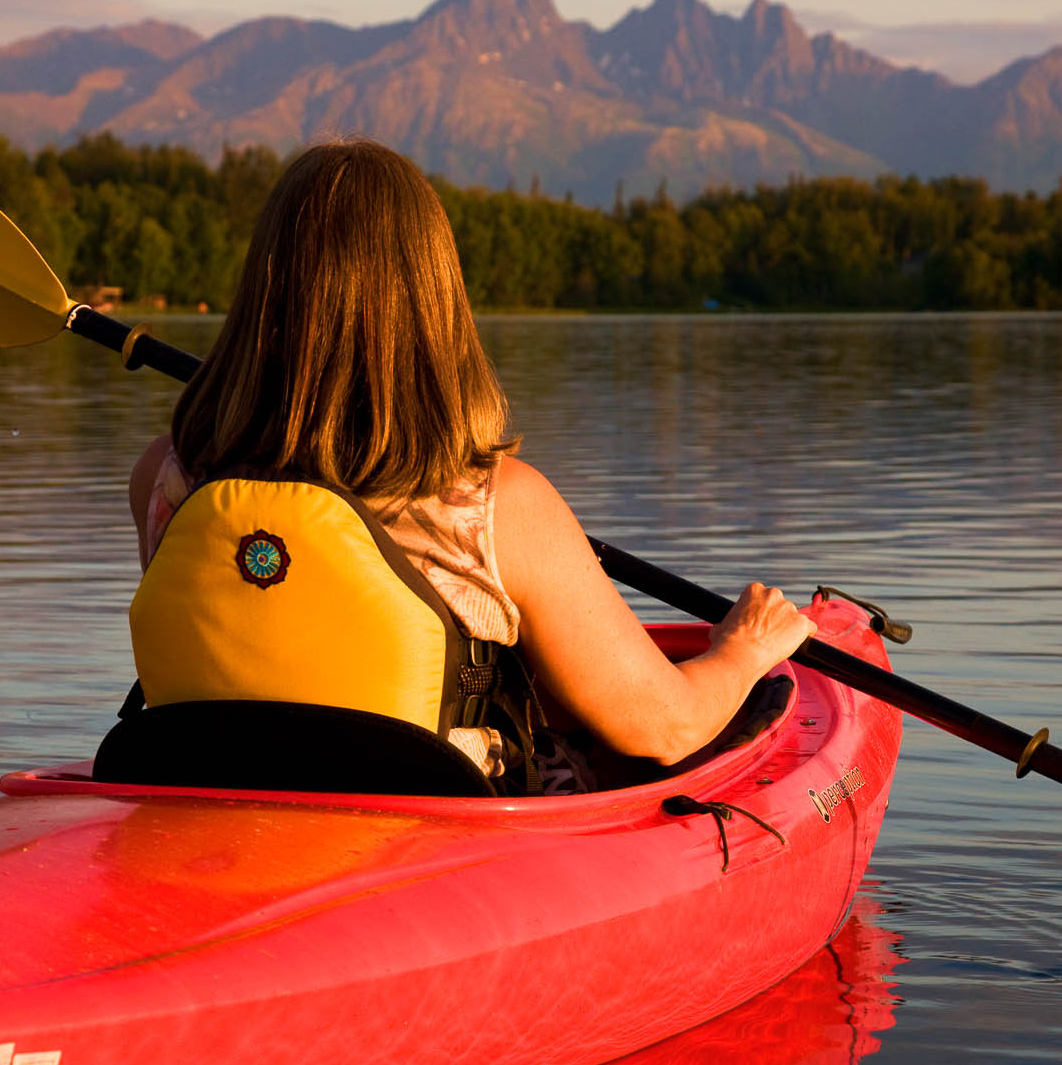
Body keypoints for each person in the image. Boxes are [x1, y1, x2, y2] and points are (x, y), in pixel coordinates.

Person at [126, 139, 815, 793]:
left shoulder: (165, 478)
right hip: (435, 841)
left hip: (209, 800)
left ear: (262, 288)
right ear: (432, 300)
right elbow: (664, 727)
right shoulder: (496, 506)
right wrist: (744, 650)